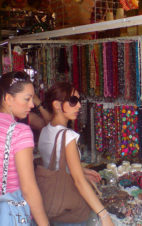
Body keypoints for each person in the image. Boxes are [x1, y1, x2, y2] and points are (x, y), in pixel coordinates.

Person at [38, 82, 114, 226]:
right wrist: (104, 215)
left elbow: (54, 164)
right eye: (73, 101)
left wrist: (82, 171)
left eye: (79, 101)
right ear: (57, 105)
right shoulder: (67, 136)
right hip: (69, 211)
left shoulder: (46, 131)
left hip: (52, 203)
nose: (79, 105)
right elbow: (79, 182)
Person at [0, 71, 49, 226]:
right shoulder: (19, 132)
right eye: (27, 99)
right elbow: (29, 188)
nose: (32, 105)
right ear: (8, 99)